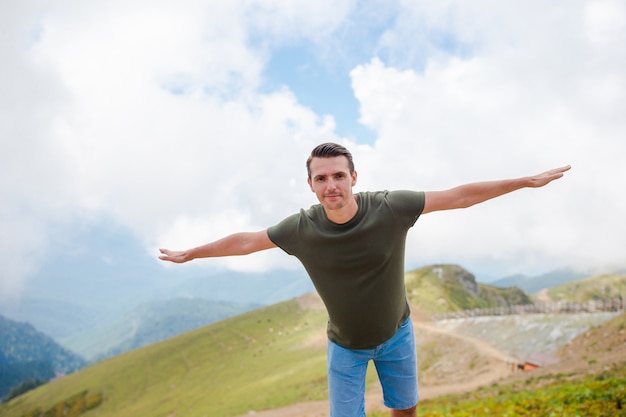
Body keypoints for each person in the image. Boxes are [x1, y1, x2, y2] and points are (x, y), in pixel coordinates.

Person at [159, 142, 570, 417]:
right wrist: (193, 252)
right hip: (345, 349)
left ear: (354, 177)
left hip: (398, 334)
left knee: (405, 410)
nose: (331, 185)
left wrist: (523, 182)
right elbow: (247, 242)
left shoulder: (391, 208)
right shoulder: (301, 228)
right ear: (311, 185)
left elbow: (458, 197)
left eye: (338, 175)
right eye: (321, 178)